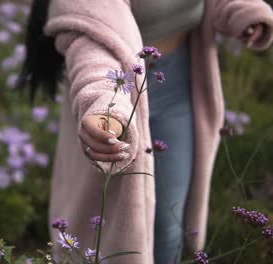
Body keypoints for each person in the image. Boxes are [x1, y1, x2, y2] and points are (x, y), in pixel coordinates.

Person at [17, 0, 273, 263]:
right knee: (106, 231)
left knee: (168, 222)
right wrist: (106, 105)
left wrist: (244, 11)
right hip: (116, 89)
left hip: (178, 83)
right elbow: (93, 44)